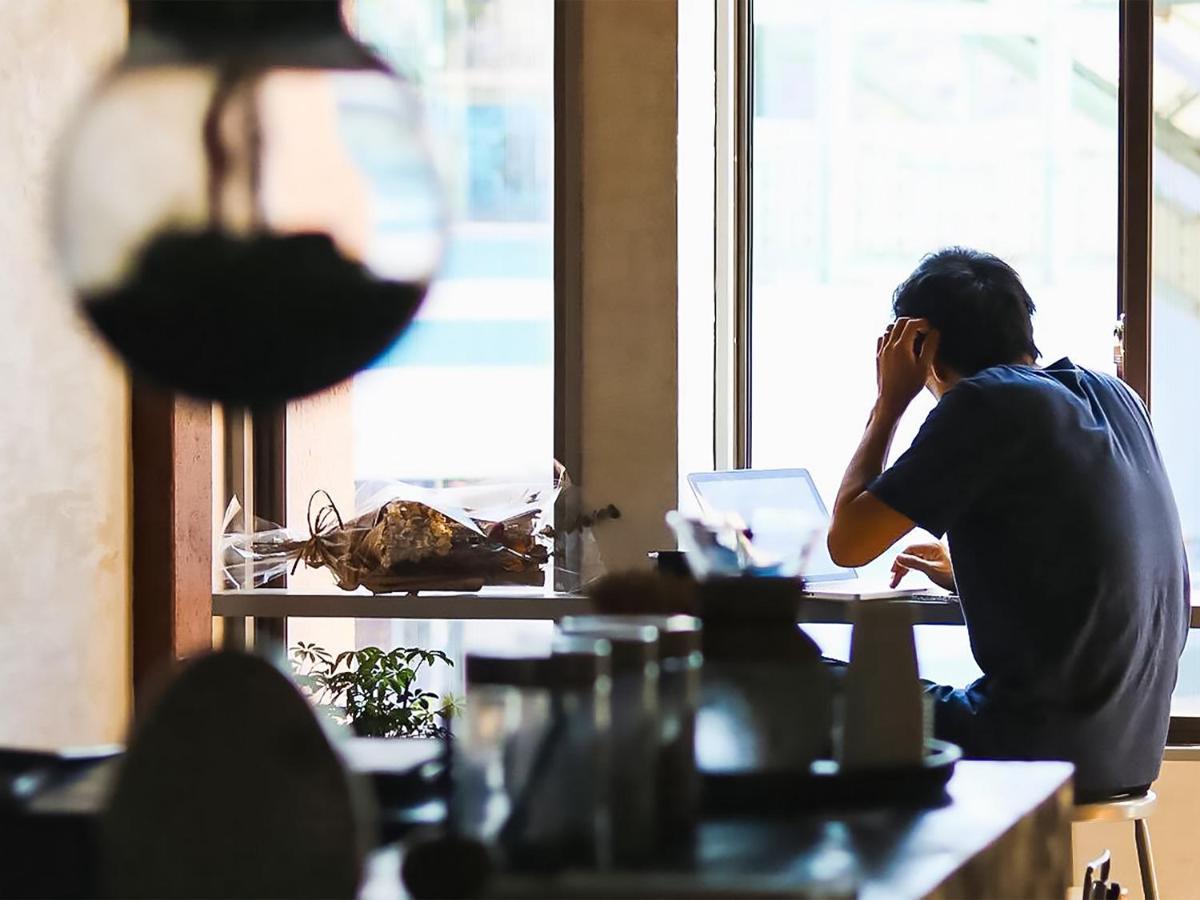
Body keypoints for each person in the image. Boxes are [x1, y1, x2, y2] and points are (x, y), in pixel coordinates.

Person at [826, 246, 1189, 800]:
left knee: (801, 683)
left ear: (920, 342)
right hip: (1128, 749)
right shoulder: (1116, 396)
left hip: (1031, 745)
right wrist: (969, 571)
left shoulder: (987, 403)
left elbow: (848, 542)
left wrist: (890, 402)